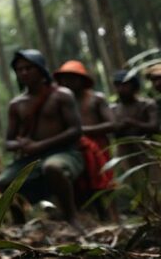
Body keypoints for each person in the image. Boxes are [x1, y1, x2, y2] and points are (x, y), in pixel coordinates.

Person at [0, 49, 83, 228]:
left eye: (29, 68)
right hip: (31, 159)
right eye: (19, 70)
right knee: (3, 182)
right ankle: (19, 224)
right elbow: (8, 142)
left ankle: (72, 217)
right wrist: (21, 145)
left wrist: (40, 145)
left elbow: (75, 130)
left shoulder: (62, 95)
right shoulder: (16, 104)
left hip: (65, 153)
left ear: (41, 69)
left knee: (53, 167)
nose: (23, 73)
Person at [53, 60, 115, 219]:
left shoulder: (96, 98)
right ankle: (85, 218)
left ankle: (110, 217)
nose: (67, 82)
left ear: (82, 80)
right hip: (75, 149)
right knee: (80, 185)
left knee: (103, 183)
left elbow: (112, 124)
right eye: (64, 78)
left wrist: (82, 131)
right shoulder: (61, 101)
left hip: (99, 149)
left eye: (72, 78)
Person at [112, 70, 159, 184]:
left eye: (125, 85)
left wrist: (133, 123)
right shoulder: (113, 109)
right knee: (131, 183)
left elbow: (154, 126)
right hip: (124, 152)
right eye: (118, 85)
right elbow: (112, 131)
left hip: (147, 148)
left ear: (134, 86)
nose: (121, 89)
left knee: (155, 180)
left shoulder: (147, 104)